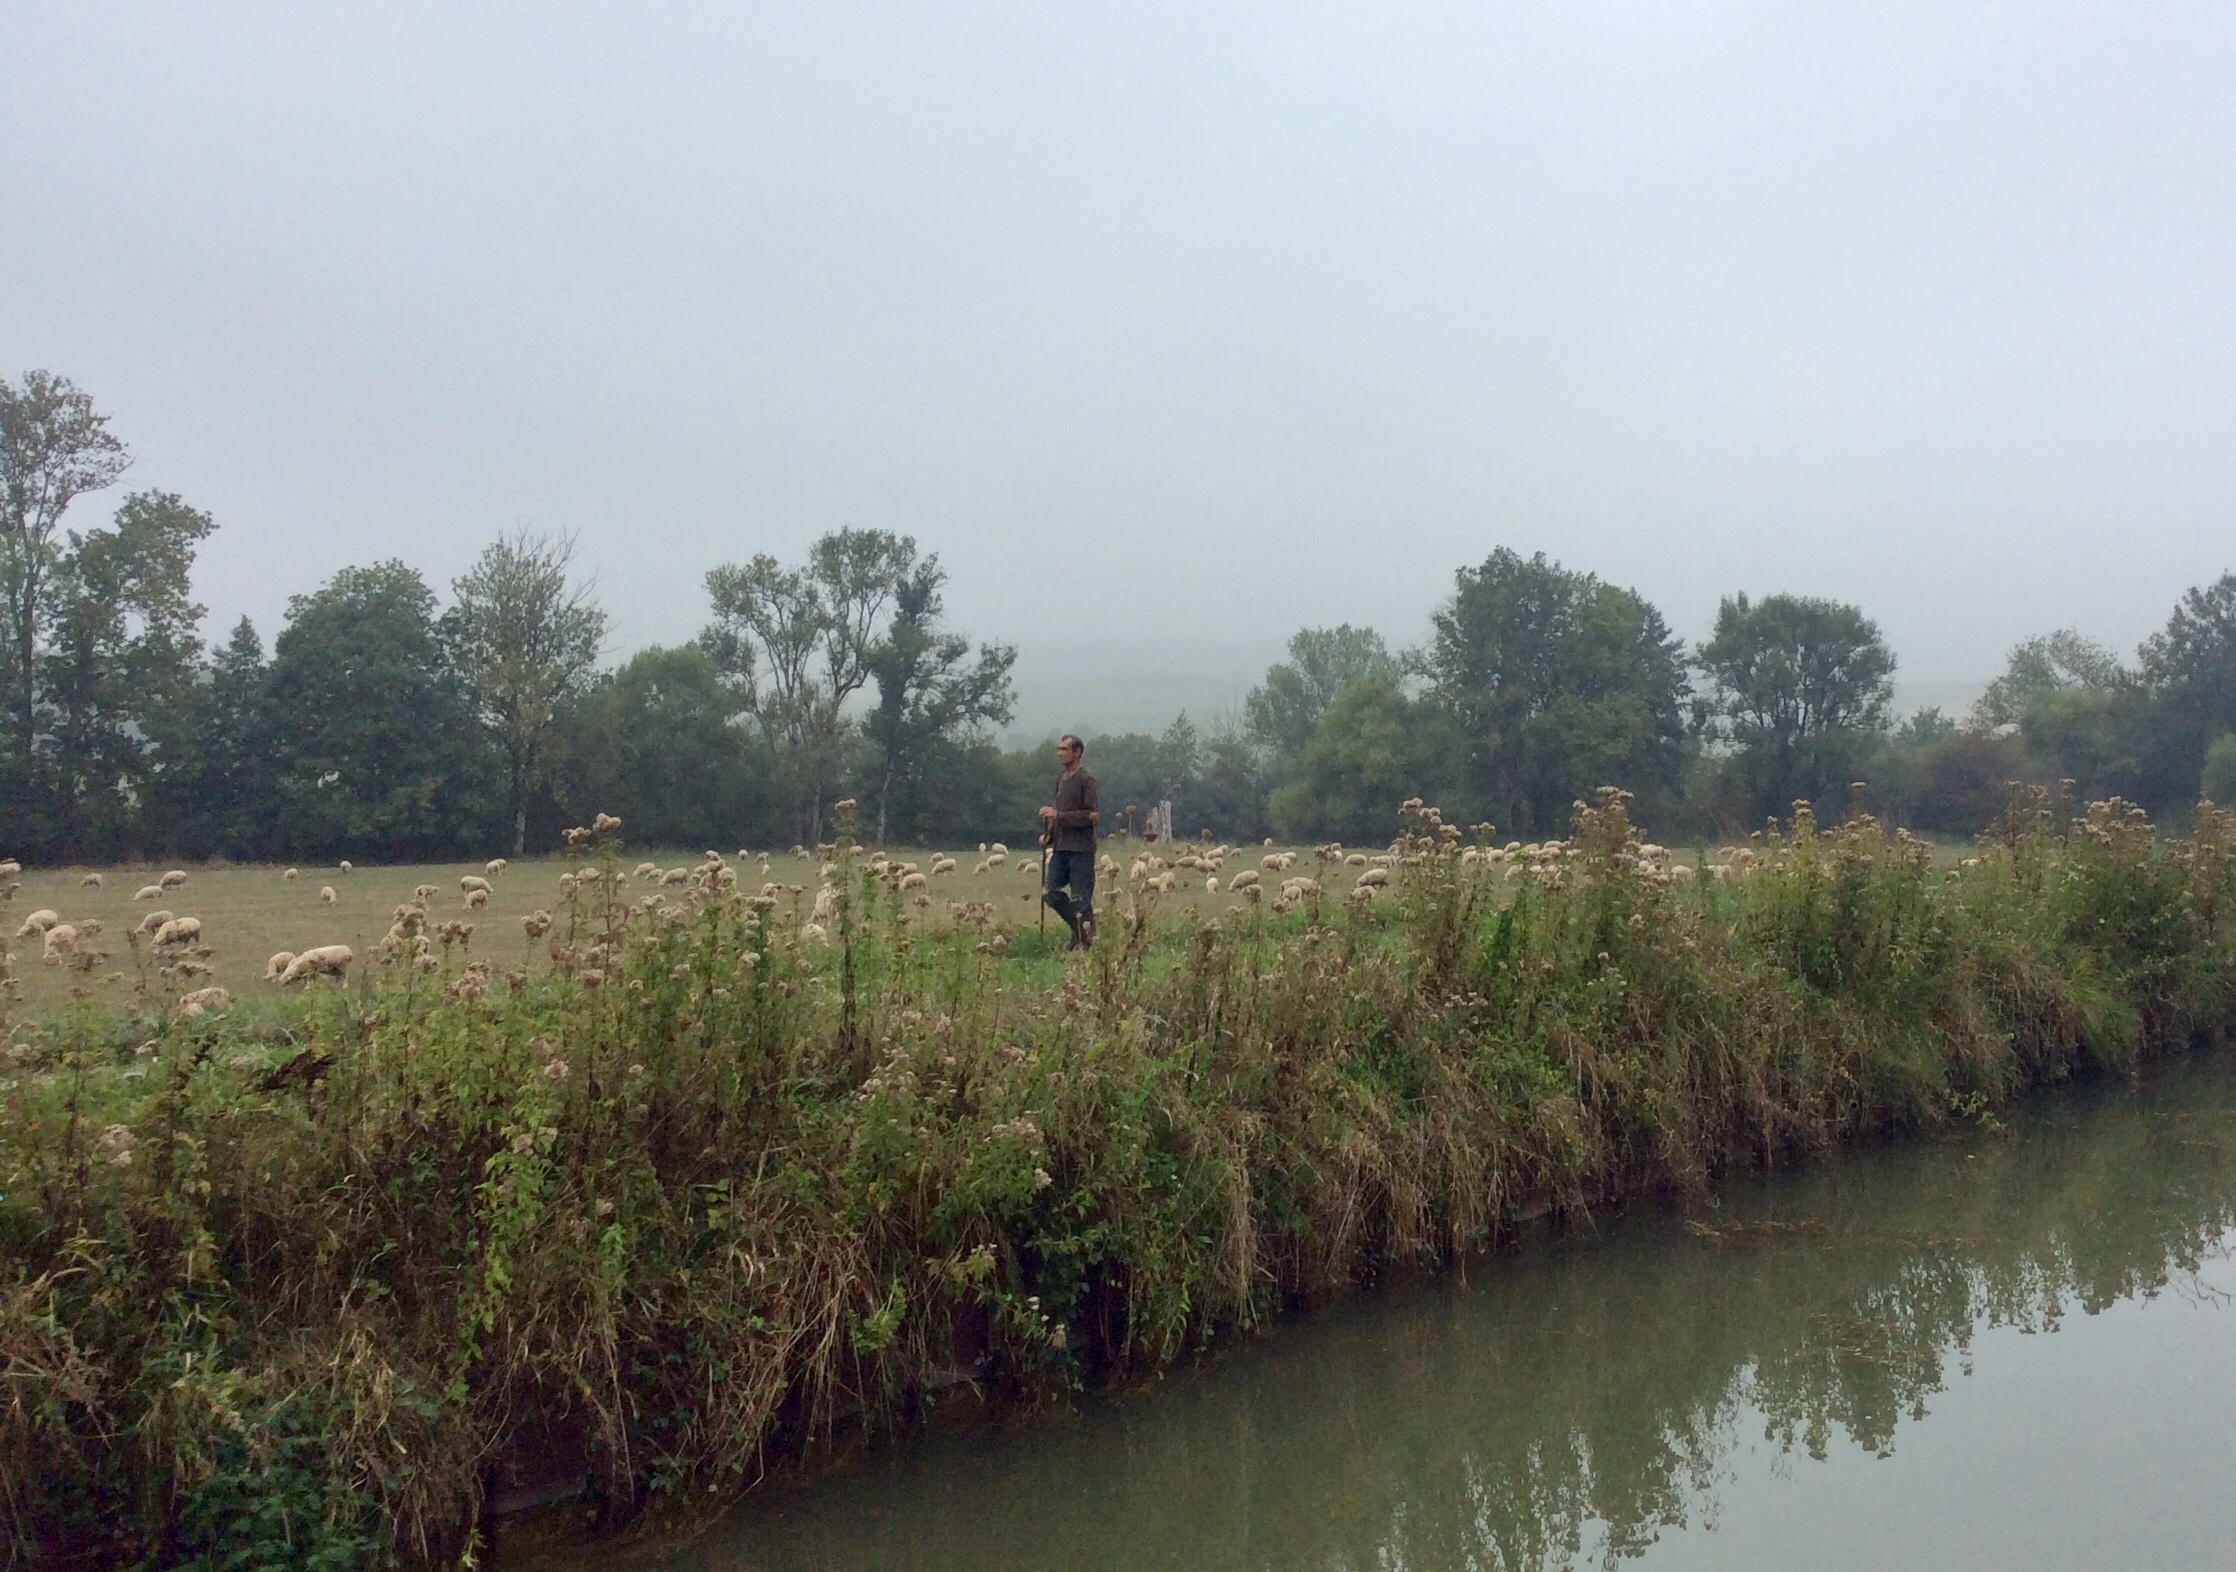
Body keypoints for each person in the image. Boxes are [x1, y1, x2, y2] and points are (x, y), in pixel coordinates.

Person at [1039, 733, 1099, 949]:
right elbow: (1059, 812)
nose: (1059, 753)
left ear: (1077, 752)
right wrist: (1049, 835)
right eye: (1059, 749)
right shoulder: (1061, 779)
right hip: (1061, 847)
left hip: (1082, 848)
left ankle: (1087, 943)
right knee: (1050, 893)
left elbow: (1091, 815)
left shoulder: (1087, 779)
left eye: (1064, 749)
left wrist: (1059, 816)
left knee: (1080, 899)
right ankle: (1079, 931)